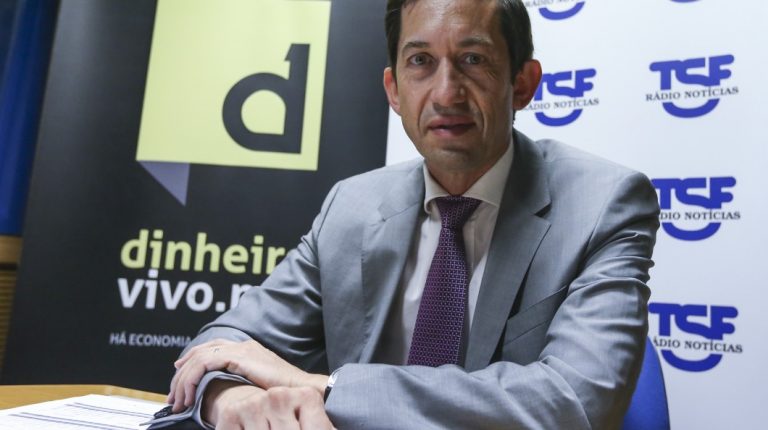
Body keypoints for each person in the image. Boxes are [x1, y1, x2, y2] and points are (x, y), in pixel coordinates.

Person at [158, 0, 660, 428]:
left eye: (473, 59)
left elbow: (575, 402)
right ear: (394, 90)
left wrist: (326, 388)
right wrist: (231, 398)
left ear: (523, 83)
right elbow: (224, 344)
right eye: (420, 61)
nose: (445, 93)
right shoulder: (351, 206)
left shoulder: (602, 204)